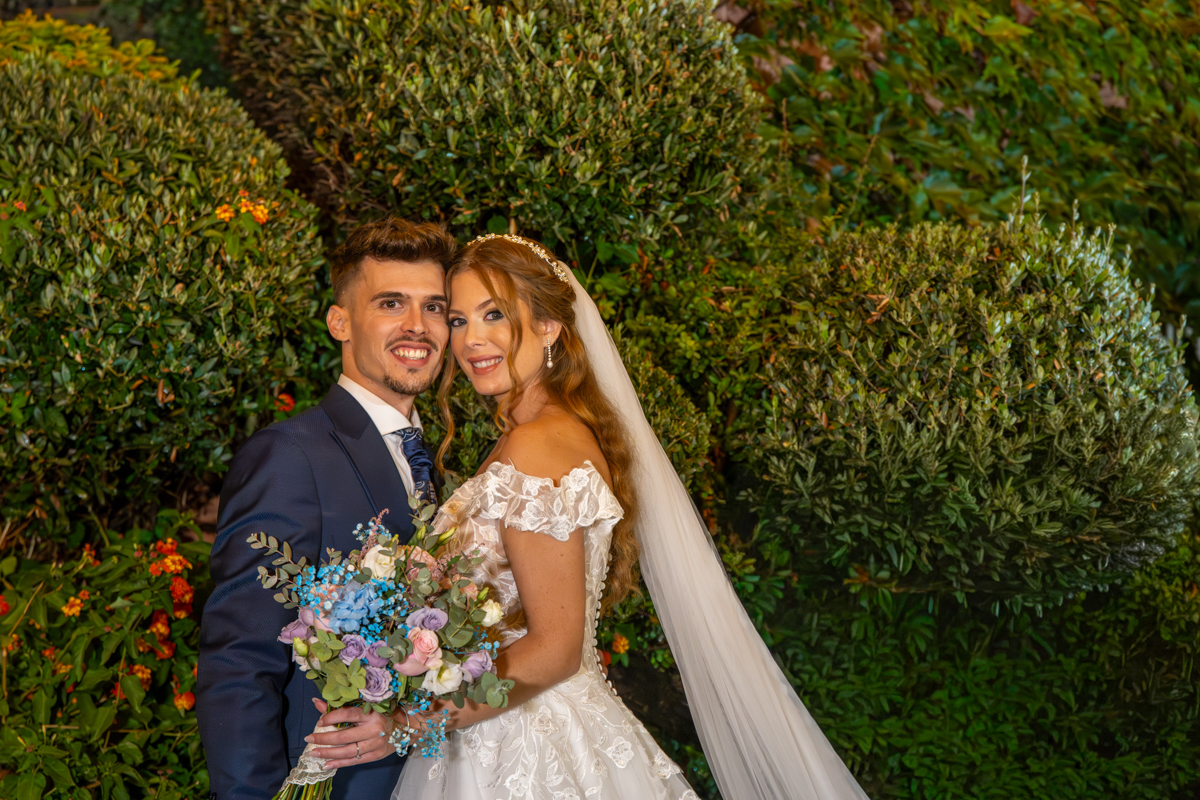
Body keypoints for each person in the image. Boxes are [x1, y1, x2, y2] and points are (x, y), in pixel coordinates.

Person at [309, 234, 872, 800]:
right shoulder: (540, 434)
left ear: (549, 326)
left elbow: (554, 650)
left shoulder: (537, 445)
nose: (471, 339)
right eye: (458, 320)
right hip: (501, 725)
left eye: (494, 314)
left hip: (525, 745)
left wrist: (410, 723)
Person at [197, 217, 456, 799]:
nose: (417, 325)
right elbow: (239, 662)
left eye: (434, 307)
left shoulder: (434, 463)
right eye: (391, 303)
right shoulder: (289, 456)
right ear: (340, 321)